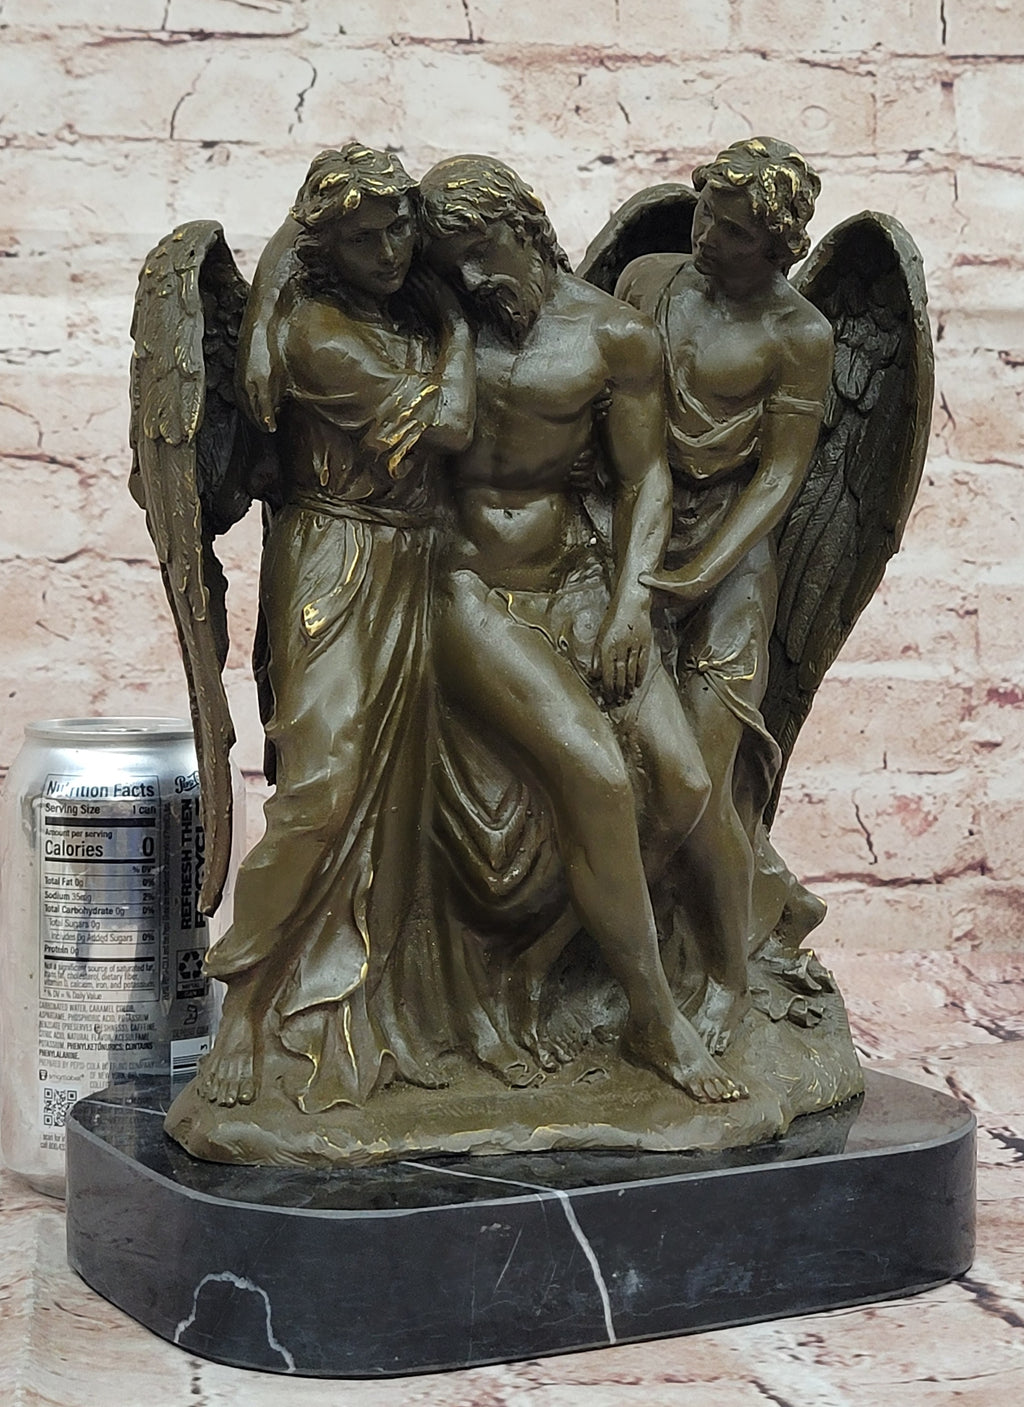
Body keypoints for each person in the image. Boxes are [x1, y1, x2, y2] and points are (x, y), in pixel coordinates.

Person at [418, 156, 742, 1103]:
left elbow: (645, 479)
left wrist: (630, 604)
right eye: (450, 259)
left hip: (577, 579)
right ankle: (655, 1019)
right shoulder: (429, 322)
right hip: (466, 585)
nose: (468, 276)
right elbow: (305, 262)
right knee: (598, 773)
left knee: (683, 784)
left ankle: (539, 963)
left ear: (524, 224)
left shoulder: (613, 336)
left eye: (479, 251)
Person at [196, 144, 476, 1112]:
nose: (392, 251)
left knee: (402, 802)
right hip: (337, 558)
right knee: (323, 786)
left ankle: (375, 1020)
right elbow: (450, 426)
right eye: (365, 239)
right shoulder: (315, 333)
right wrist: (455, 326)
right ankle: (247, 1003)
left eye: (400, 230)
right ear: (327, 248)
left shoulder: (388, 311)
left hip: (414, 562)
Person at [614, 137, 835, 1056]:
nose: (708, 235)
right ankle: (627, 963)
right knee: (628, 769)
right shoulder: (649, 279)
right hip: (633, 542)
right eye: (707, 210)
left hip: (731, 565)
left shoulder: (799, 333)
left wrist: (706, 571)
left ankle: (727, 975)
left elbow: (781, 475)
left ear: (776, 247)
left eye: (736, 231)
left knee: (701, 786)